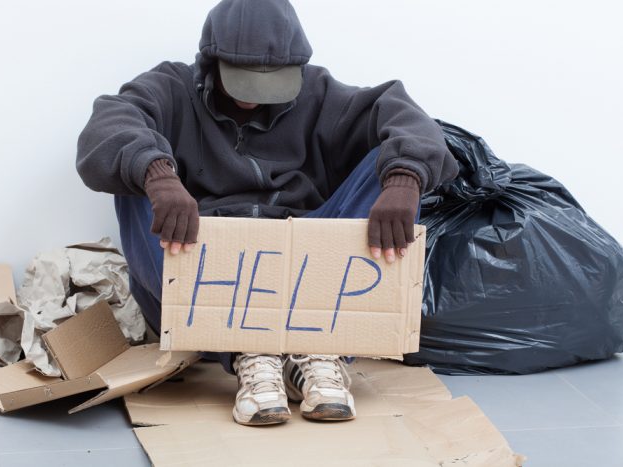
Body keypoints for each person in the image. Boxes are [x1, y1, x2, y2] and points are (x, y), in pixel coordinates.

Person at [76, 0, 459, 426]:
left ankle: (316, 350)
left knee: (394, 162)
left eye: (271, 83)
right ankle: (246, 349)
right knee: (133, 167)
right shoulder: (170, 86)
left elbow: (405, 116)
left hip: (304, 269)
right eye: (242, 82)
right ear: (211, 60)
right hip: (203, 267)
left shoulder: (319, 93)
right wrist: (160, 175)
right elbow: (108, 124)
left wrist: (404, 178)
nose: (253, 101)